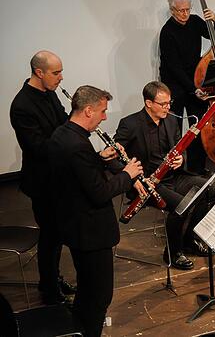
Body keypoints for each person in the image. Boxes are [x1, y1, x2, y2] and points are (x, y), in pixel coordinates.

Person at [47, 86, 143, 337]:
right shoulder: (77, 145)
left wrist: (99, 159)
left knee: (86, 289)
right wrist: (126, 174)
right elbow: (99, 192)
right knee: (99, 295)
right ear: (88, 110)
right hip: (90, 231)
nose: (104, 117)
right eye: (102, 111)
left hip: (74, 225)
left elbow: (78, 174)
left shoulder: (62, 134)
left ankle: (78, 329)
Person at [114, 81, 215, 270]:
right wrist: (133, 179)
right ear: (148, 103)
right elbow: (114, 158)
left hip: (173, 177)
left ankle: (190, 239)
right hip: (147, 183)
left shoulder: (171, 120)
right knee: (182, 205)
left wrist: (181, 159)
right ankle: (173, 252)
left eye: (169, 103)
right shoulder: (130, 124)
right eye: (163, 104)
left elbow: (181, 149)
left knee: (211, 190)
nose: (168, 107)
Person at [9, 50, 77, 304]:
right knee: (50, 235)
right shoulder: (22, 105)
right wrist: (70, 140)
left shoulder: (49, 93)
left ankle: (52, 278)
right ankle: (48, 287)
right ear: (39, 72)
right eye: (56, 72)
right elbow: (38, 147)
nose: (61, 77)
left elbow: (62, 125)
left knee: (58, 234)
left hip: (59, 176)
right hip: (42, 182)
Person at [158, 0, 215, 174]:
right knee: (175, 129)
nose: (185, 14)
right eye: (181, 11)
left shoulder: (195, 21)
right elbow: (174, 67)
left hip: (195, 79)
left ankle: (197, 168)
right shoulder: (167, 32)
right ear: (172, 11)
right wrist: (192, 89)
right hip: (175, 84)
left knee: (199, 125)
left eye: (187, 9)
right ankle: (174, 172)